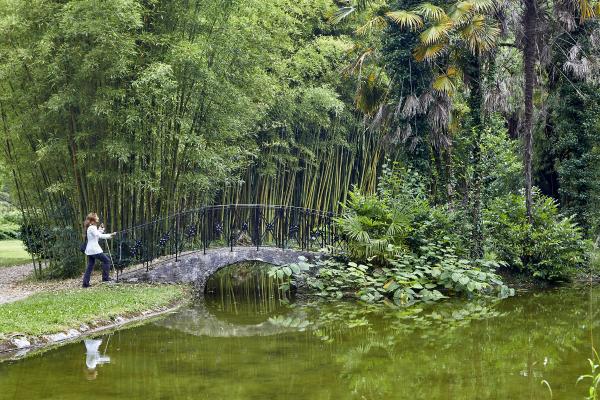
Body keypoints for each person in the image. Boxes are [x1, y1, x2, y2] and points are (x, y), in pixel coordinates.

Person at [82, 212, 116, 288]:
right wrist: (110, 235)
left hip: (90, 250)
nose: (98, 218)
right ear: (93, 219)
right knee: (106, 261)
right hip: (94, 249)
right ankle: (105, 278)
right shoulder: (92, 227)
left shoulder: (91, 227)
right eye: (96, 217)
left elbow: (96, 235)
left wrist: (100, 229)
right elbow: (99, 236)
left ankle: (85, 283)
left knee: (90, 266)